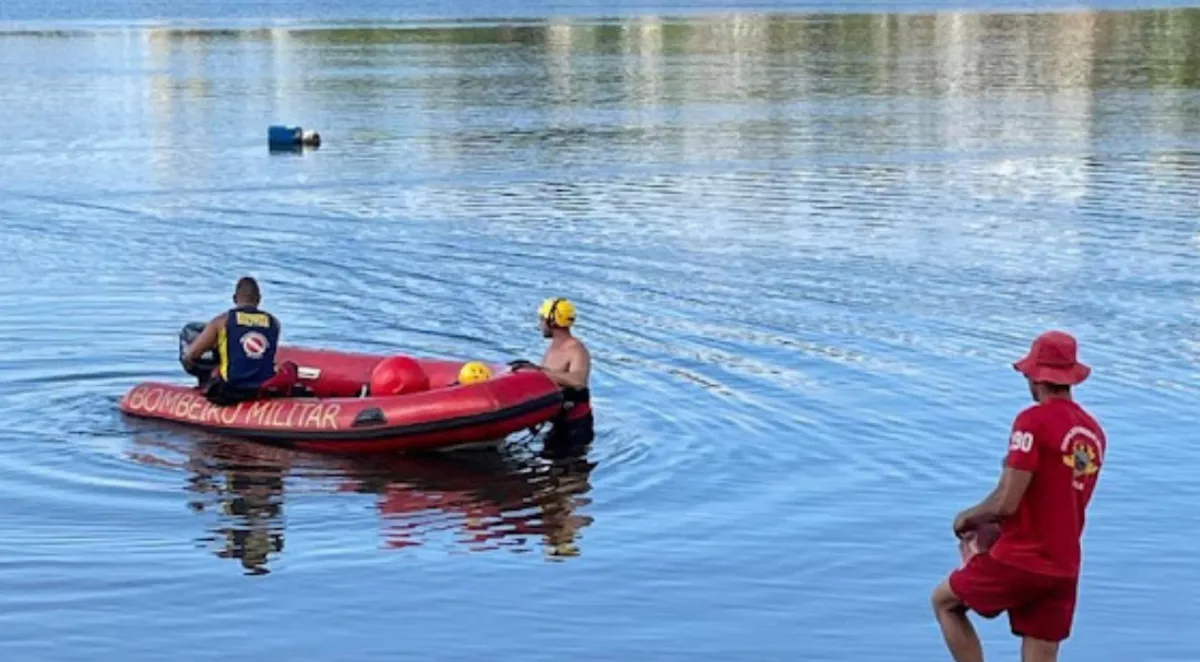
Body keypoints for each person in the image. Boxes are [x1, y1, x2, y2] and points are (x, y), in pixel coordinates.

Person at [931, 330, 1106, 662]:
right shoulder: (1094, 432)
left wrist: (967, 518)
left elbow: (1006, 501)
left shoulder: (1032, 421)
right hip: (1064, 566)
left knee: (945, 602)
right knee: (1040, 650)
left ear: (1035, 375)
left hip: (1022, 558)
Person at [182, 277, 296, 405]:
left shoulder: (222, 321)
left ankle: (203, 386)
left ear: (234, 298)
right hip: (261, 389)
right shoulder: (274, 322)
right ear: (258, 299)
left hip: (230, 392)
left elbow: (192, 354)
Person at [513, 297, 593, 445]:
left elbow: (578, 381)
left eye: (542, 319)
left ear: (551, 321)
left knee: (570, 464)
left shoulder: (575, 348)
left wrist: (540, 372)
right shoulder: (554, 347)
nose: (540, 324)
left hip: (575, 426)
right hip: (557, 422)